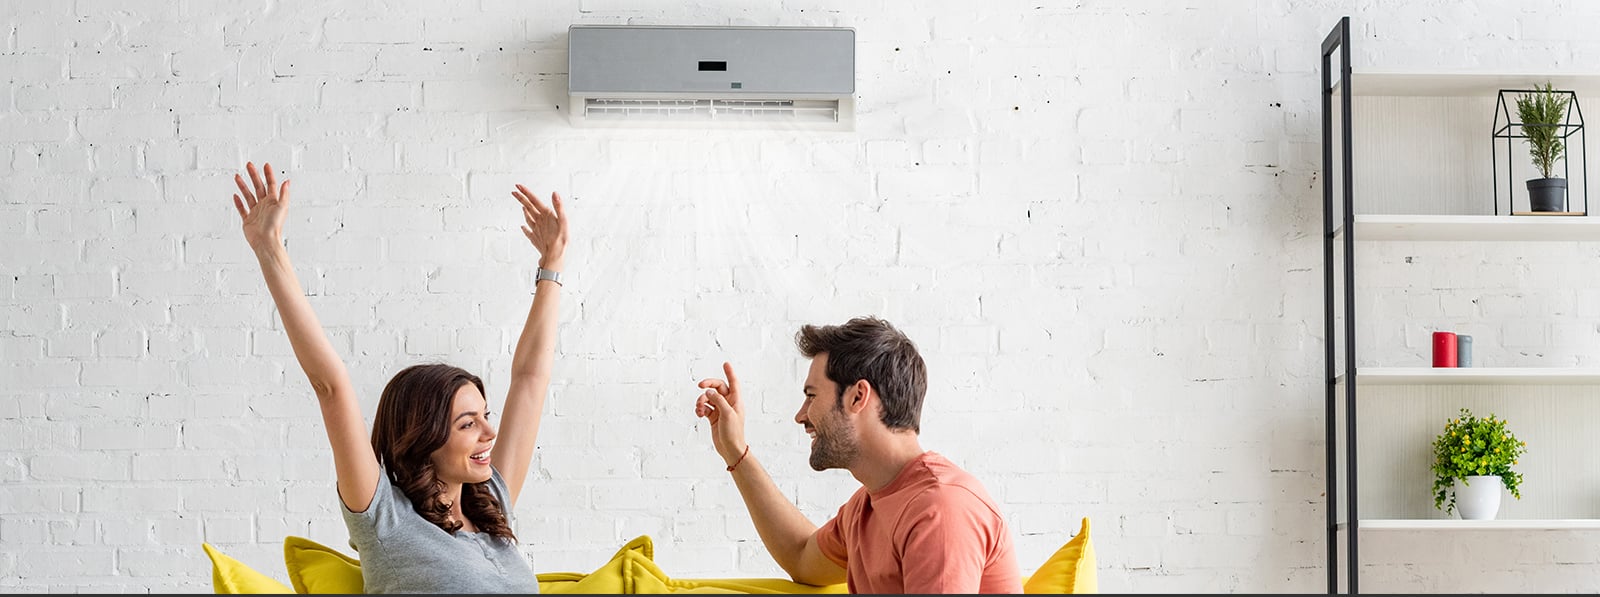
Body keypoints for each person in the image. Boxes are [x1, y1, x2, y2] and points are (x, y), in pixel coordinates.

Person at [230, 161, 568, 593]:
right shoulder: (384, 519)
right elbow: (330, 386)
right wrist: (269, 248)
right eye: (468, 423)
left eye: (485, 415)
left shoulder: (492, 504)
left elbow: (530, 379)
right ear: (423, 436)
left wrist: (552, 263)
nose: (490, 432)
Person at [693, 316, 1022, 594]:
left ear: (857, 397)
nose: (800, 415)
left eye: (811, 396)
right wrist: (735, 450)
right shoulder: (866, 508)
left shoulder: (941, 508)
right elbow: (801, 557)